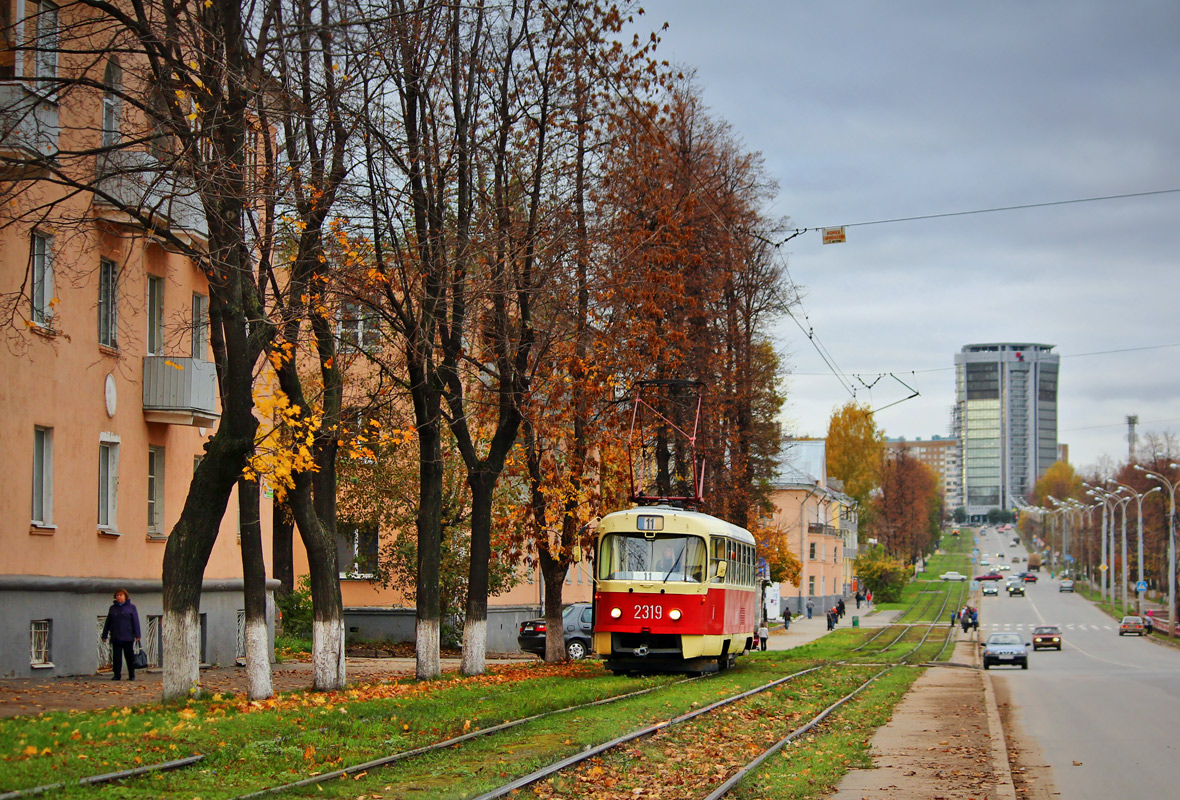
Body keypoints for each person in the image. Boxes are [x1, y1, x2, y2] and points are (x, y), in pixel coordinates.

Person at [101, 588, 142, 681]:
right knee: (116, 657)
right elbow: (108, 622)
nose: (119, 597)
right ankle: (117, 675)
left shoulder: (131, 607)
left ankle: (131, 675)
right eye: (117, 595)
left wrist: (138, 635)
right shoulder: (113, 608)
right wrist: (104, 635)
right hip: (116, 636)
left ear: (125, 597)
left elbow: (135, 621)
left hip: (128, 636)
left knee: (129, 657)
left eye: (121, 595)